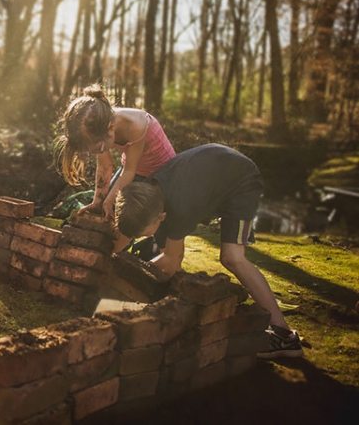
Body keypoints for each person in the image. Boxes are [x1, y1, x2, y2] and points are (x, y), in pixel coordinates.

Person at [114, 143, 304, 359]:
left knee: (232, 258)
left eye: (146, 233)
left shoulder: (179, 208)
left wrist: (131, 278)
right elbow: (169, 260)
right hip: (212, 170)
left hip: (241, 180)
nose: (145, 238)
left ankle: (285, 336)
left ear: (161, 217)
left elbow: (172, 262)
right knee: (169, 252)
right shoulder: (148, 193)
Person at [54, 84, 175, 254]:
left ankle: (143, 253)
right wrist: (98, 201)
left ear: (111, 128)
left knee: (133, 218)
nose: (98, 153)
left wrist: (110, 201)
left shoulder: (137, 125)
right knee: (106, 212)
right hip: (135, 169)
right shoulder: (98, 126)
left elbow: (129, 172)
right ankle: (106, 253)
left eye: (99, 150)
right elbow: (105, 165)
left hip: (162, 173)